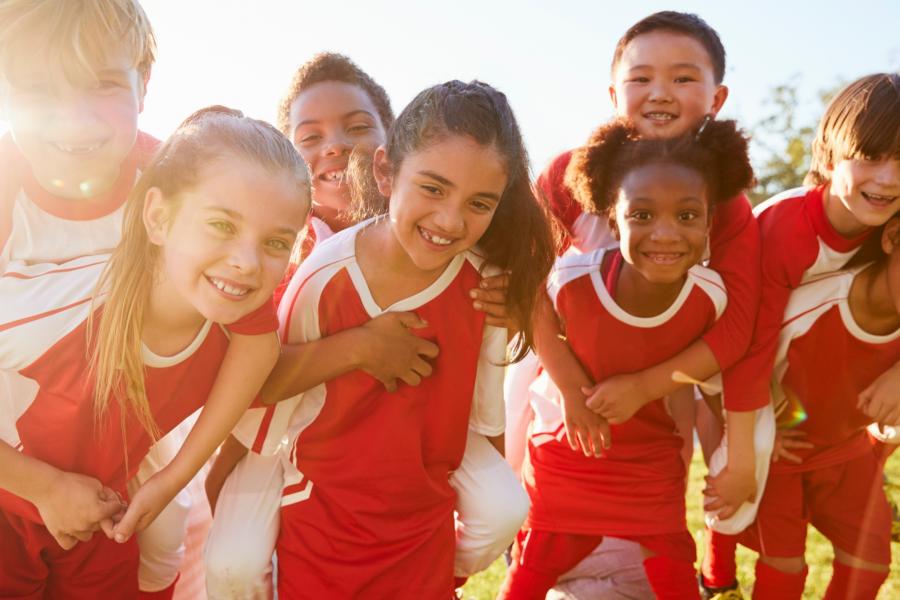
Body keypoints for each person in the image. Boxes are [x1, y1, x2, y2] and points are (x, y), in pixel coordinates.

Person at [205, 55, 530, 598]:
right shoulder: (298, 252)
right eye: (312, 136)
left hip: (423, 434)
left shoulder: (474, 264)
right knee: (233, 564)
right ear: (386, 170)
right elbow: (259, 387)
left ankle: (439, 574)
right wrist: (360, 346)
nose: (335, 146)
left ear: (382, 140)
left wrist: (520, 305)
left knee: (503, 508)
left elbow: (484, 406)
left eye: (355, 127)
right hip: (294, 433)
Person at [0, 106, 310, 598]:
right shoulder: (65, 309)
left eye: (275, 241)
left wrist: (167, 483)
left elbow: (260, 351)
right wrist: (45, 489)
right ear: (159, 218)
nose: (247, 262)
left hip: (97, 518)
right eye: (222, 226)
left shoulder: (238, 336)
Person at [498, 117, 755, 600]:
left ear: (708, 222)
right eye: (642, 215)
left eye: (686, 216)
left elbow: (713, 355)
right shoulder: (576, 279)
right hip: (572, 452)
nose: (665, 234)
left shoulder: (707, 297)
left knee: (674, 570)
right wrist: (574, 393)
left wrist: (646, 387)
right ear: (612, 220)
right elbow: (533, 306)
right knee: (533, 566)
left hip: (649, 460)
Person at [0, 2, 208, 597]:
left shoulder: (179, 184)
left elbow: (246, 331)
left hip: (111, 491)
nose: (74, 120)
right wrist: (38, 485)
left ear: (145, 85)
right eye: (39, 89)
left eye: (103, 84)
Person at [698, 72, 900, 598]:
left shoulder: (890, 222)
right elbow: (749, 346)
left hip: (803, 360)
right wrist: (747, 450)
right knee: (748, 470)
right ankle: (716, 566)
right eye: (871, 155)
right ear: (832, 155)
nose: (888, 177)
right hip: (728, 355)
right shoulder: (786, 229)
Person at [738, 215, 900, 599]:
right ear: (893, 238)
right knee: (784, 568)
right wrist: (754, 435)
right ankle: (717, 576)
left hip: (846, 451)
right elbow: (736, 363)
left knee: (871, 562)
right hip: (779, 452)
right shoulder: (816, 302)